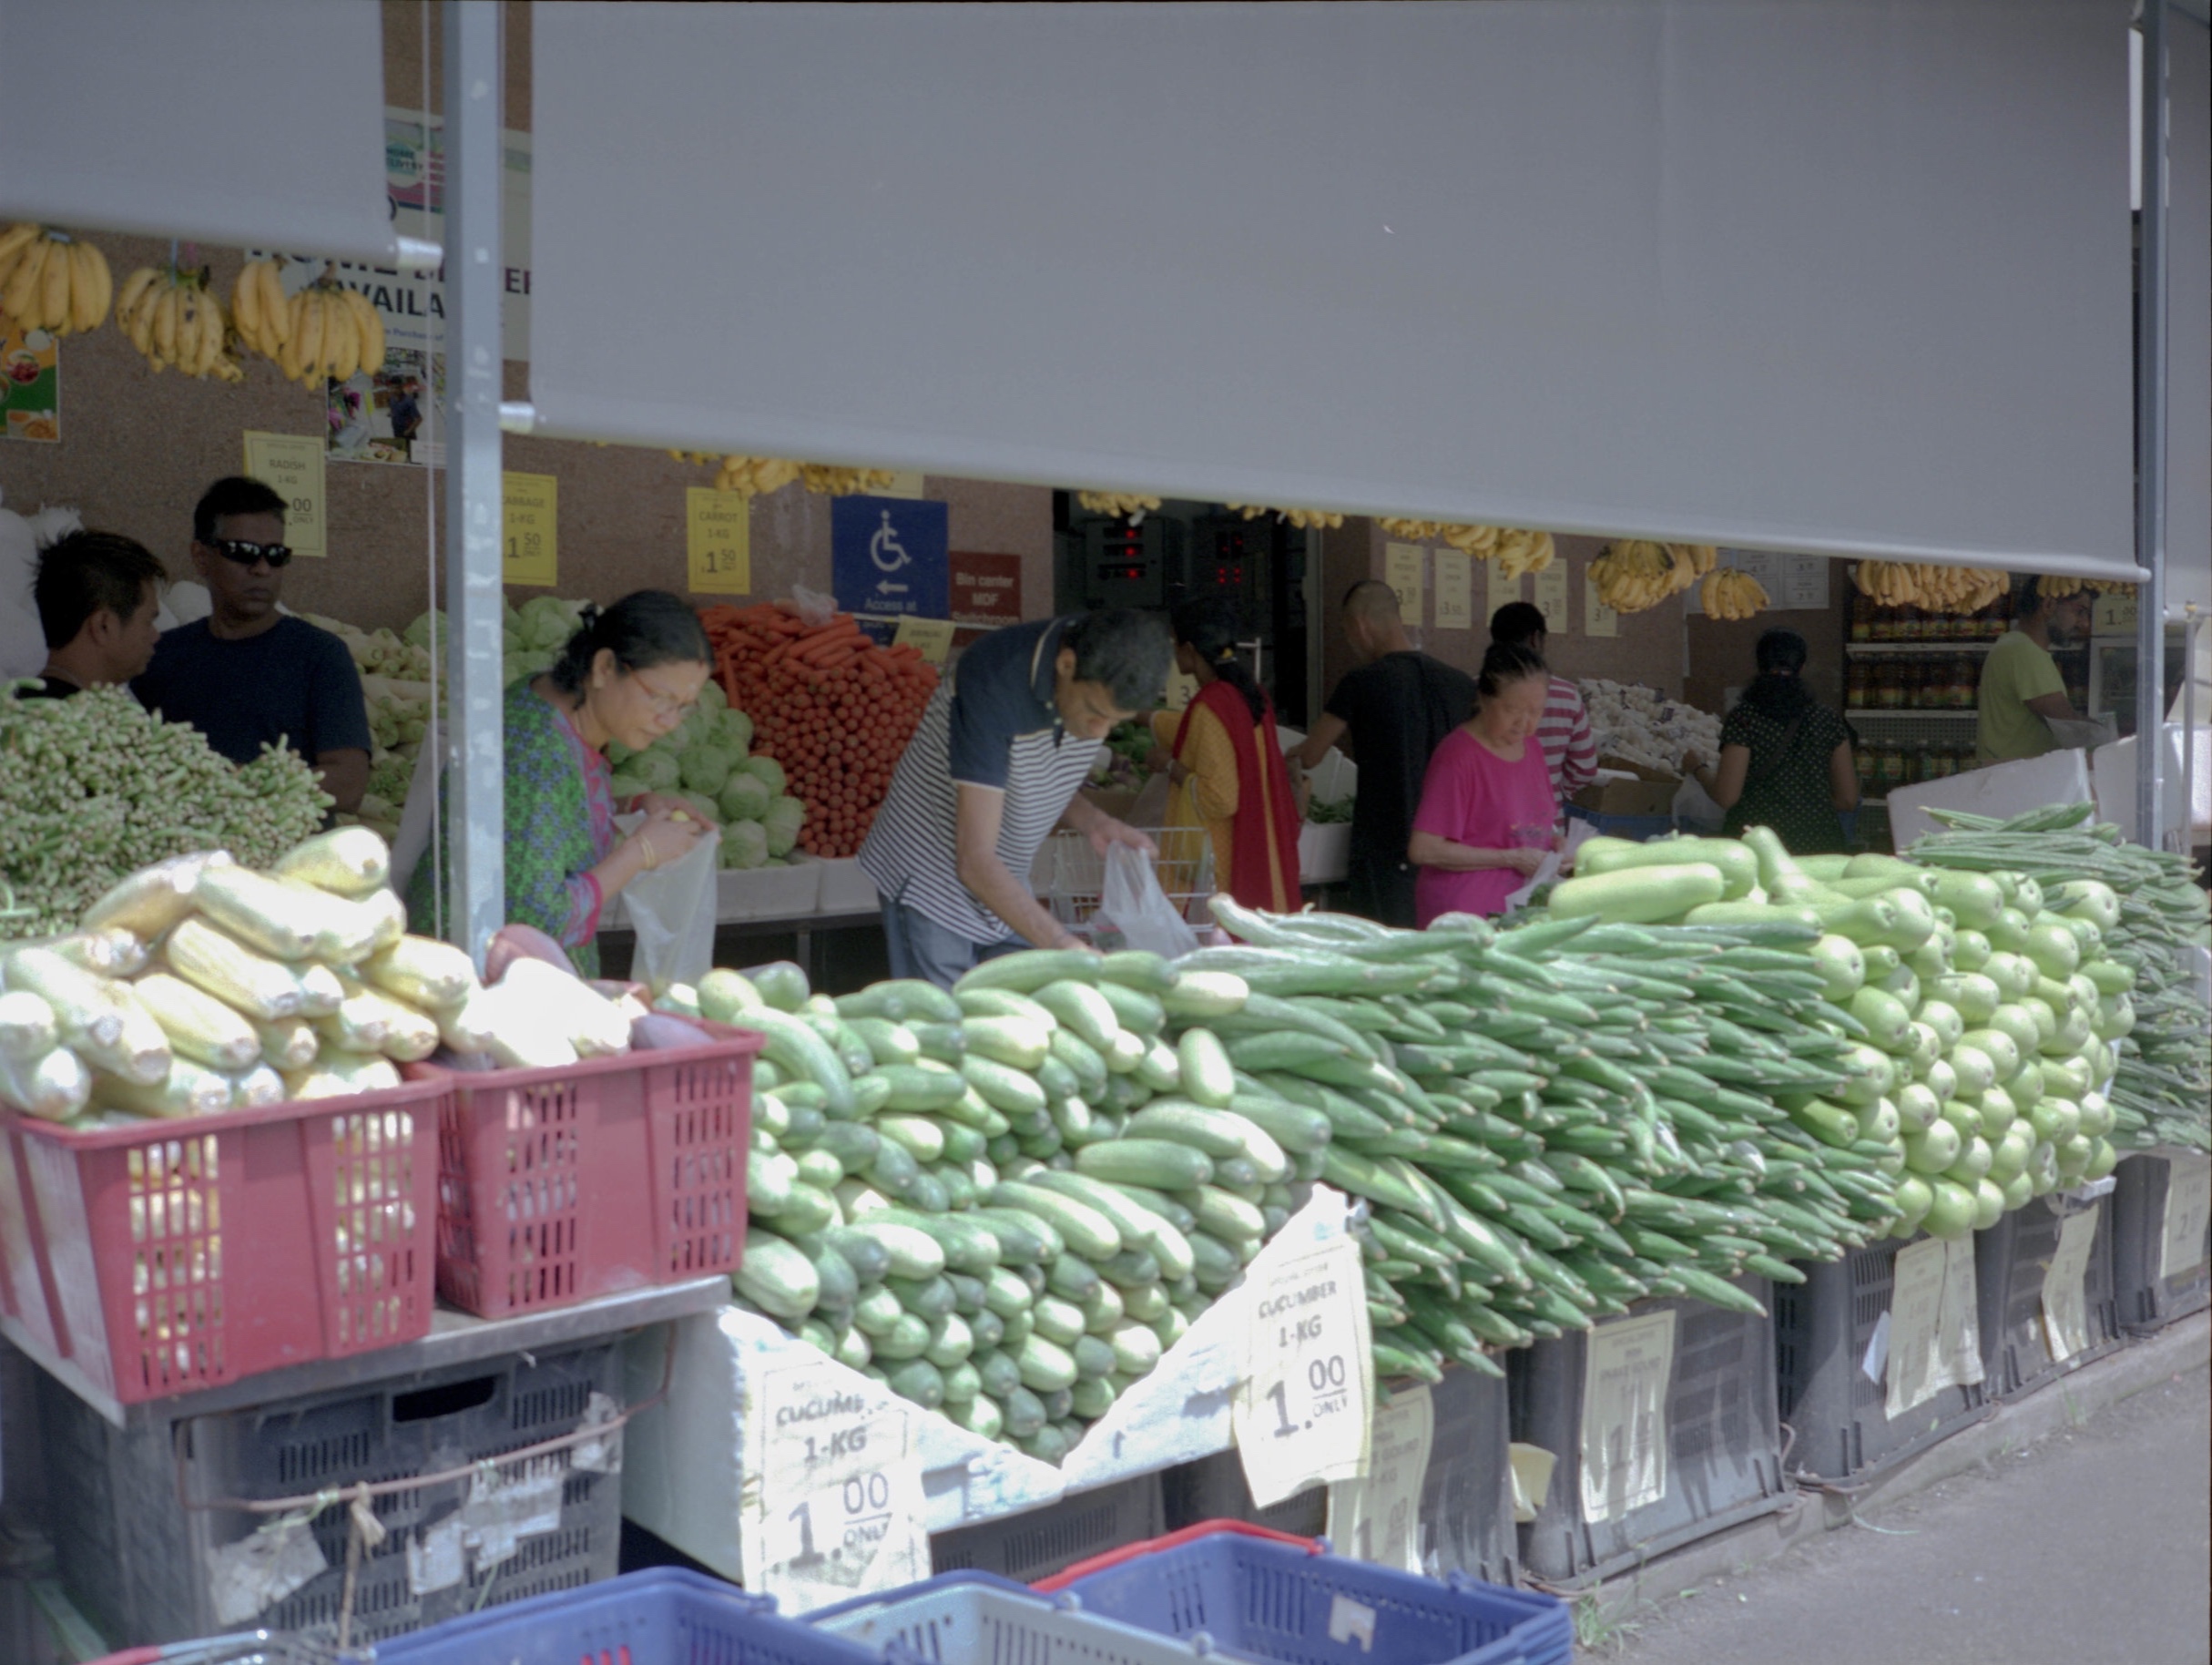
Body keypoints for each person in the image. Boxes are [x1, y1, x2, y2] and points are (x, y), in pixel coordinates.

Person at [406, 591, 715, 975]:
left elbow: (538, 819)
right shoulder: (537, 753)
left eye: (685, 706)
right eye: (661, 698)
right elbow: (532, 924)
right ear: (604, 667)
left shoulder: (545, 698)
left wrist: (631, 805)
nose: (670, 721)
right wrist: (641, 852)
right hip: (483, 984)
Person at [860, 609, 1172, 986]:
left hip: (1005, 873)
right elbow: (974, 861)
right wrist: (1063, 944)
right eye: (1094, 714)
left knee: (1014, 1018)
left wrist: (1095, 821)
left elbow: (1033, 774)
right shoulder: (993, 679)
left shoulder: (1095, 673)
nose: (1097, 732)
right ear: (1066, 664)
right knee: (941, 1023)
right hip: (932, 876)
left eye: (1114, 723)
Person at [133, 477, 372, 813]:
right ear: (201, 557)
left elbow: (348, 784)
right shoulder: (161, 655)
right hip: (183, 854)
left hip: (285, 860)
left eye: (275, 555)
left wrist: (234, 784)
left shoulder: (319, 655)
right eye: (243, 553)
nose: (261, 569)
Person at [1290, 579, 1477, 927]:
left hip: (1383, 847)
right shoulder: (1460, 683)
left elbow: (1311, 754)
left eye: (1347, 632)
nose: (1351, 643)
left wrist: (1281, 757)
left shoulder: (1362, 681)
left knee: (1386, 951)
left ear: (1361, 624)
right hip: (1449, 844)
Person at [1144, 595, 1303, 913]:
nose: (1173, 652)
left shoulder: (1210, 706)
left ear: (1189, 650)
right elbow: (1203, 738)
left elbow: (1219, 797)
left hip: (1224, 860)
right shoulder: (1251, 696)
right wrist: (1143, 717)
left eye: (1175, 644)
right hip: (1263, 848)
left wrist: (1169, 765)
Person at [1406, 642, 1559, 925]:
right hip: (1465, 914)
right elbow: (1424, 849)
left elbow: (1532, 821)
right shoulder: (1458, 757)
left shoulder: (1532, 748)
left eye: (1535, 711)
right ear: (1483, 699)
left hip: (1520, 910)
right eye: (1512, 709)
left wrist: (1558, 844)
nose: (1524, 724)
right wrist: (1512, 857)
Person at [1684, 628, 1857, 853]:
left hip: (1757, 846)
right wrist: (1803, 803)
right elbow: (1848, 800)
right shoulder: (1828, 720)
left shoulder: (1745, 718)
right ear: (1802, 667)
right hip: (1819, 845)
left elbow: (1726, 797)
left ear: (1759, 666)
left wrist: (1697, 768)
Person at [25, 529, 165, 697]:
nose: (155, 636)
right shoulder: (72, 720)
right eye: (148, 621)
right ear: (103, 626)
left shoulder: (17, 708)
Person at [1488, 600, 1597, 799]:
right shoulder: (1567, 696)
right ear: (1535, 639)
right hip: (1548, 821)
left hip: (1485, 821)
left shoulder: (1469, 691)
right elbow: (1585, 768)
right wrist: (1554, 790)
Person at [1976, 577, 2093, 764]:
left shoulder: (2014, 645)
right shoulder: (2024, 652)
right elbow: (2069, 725)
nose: (2084, 624)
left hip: (2013, 778)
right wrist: (2120, 738)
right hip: (2018, 781)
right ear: (2048, 605)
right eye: (2079, 612)